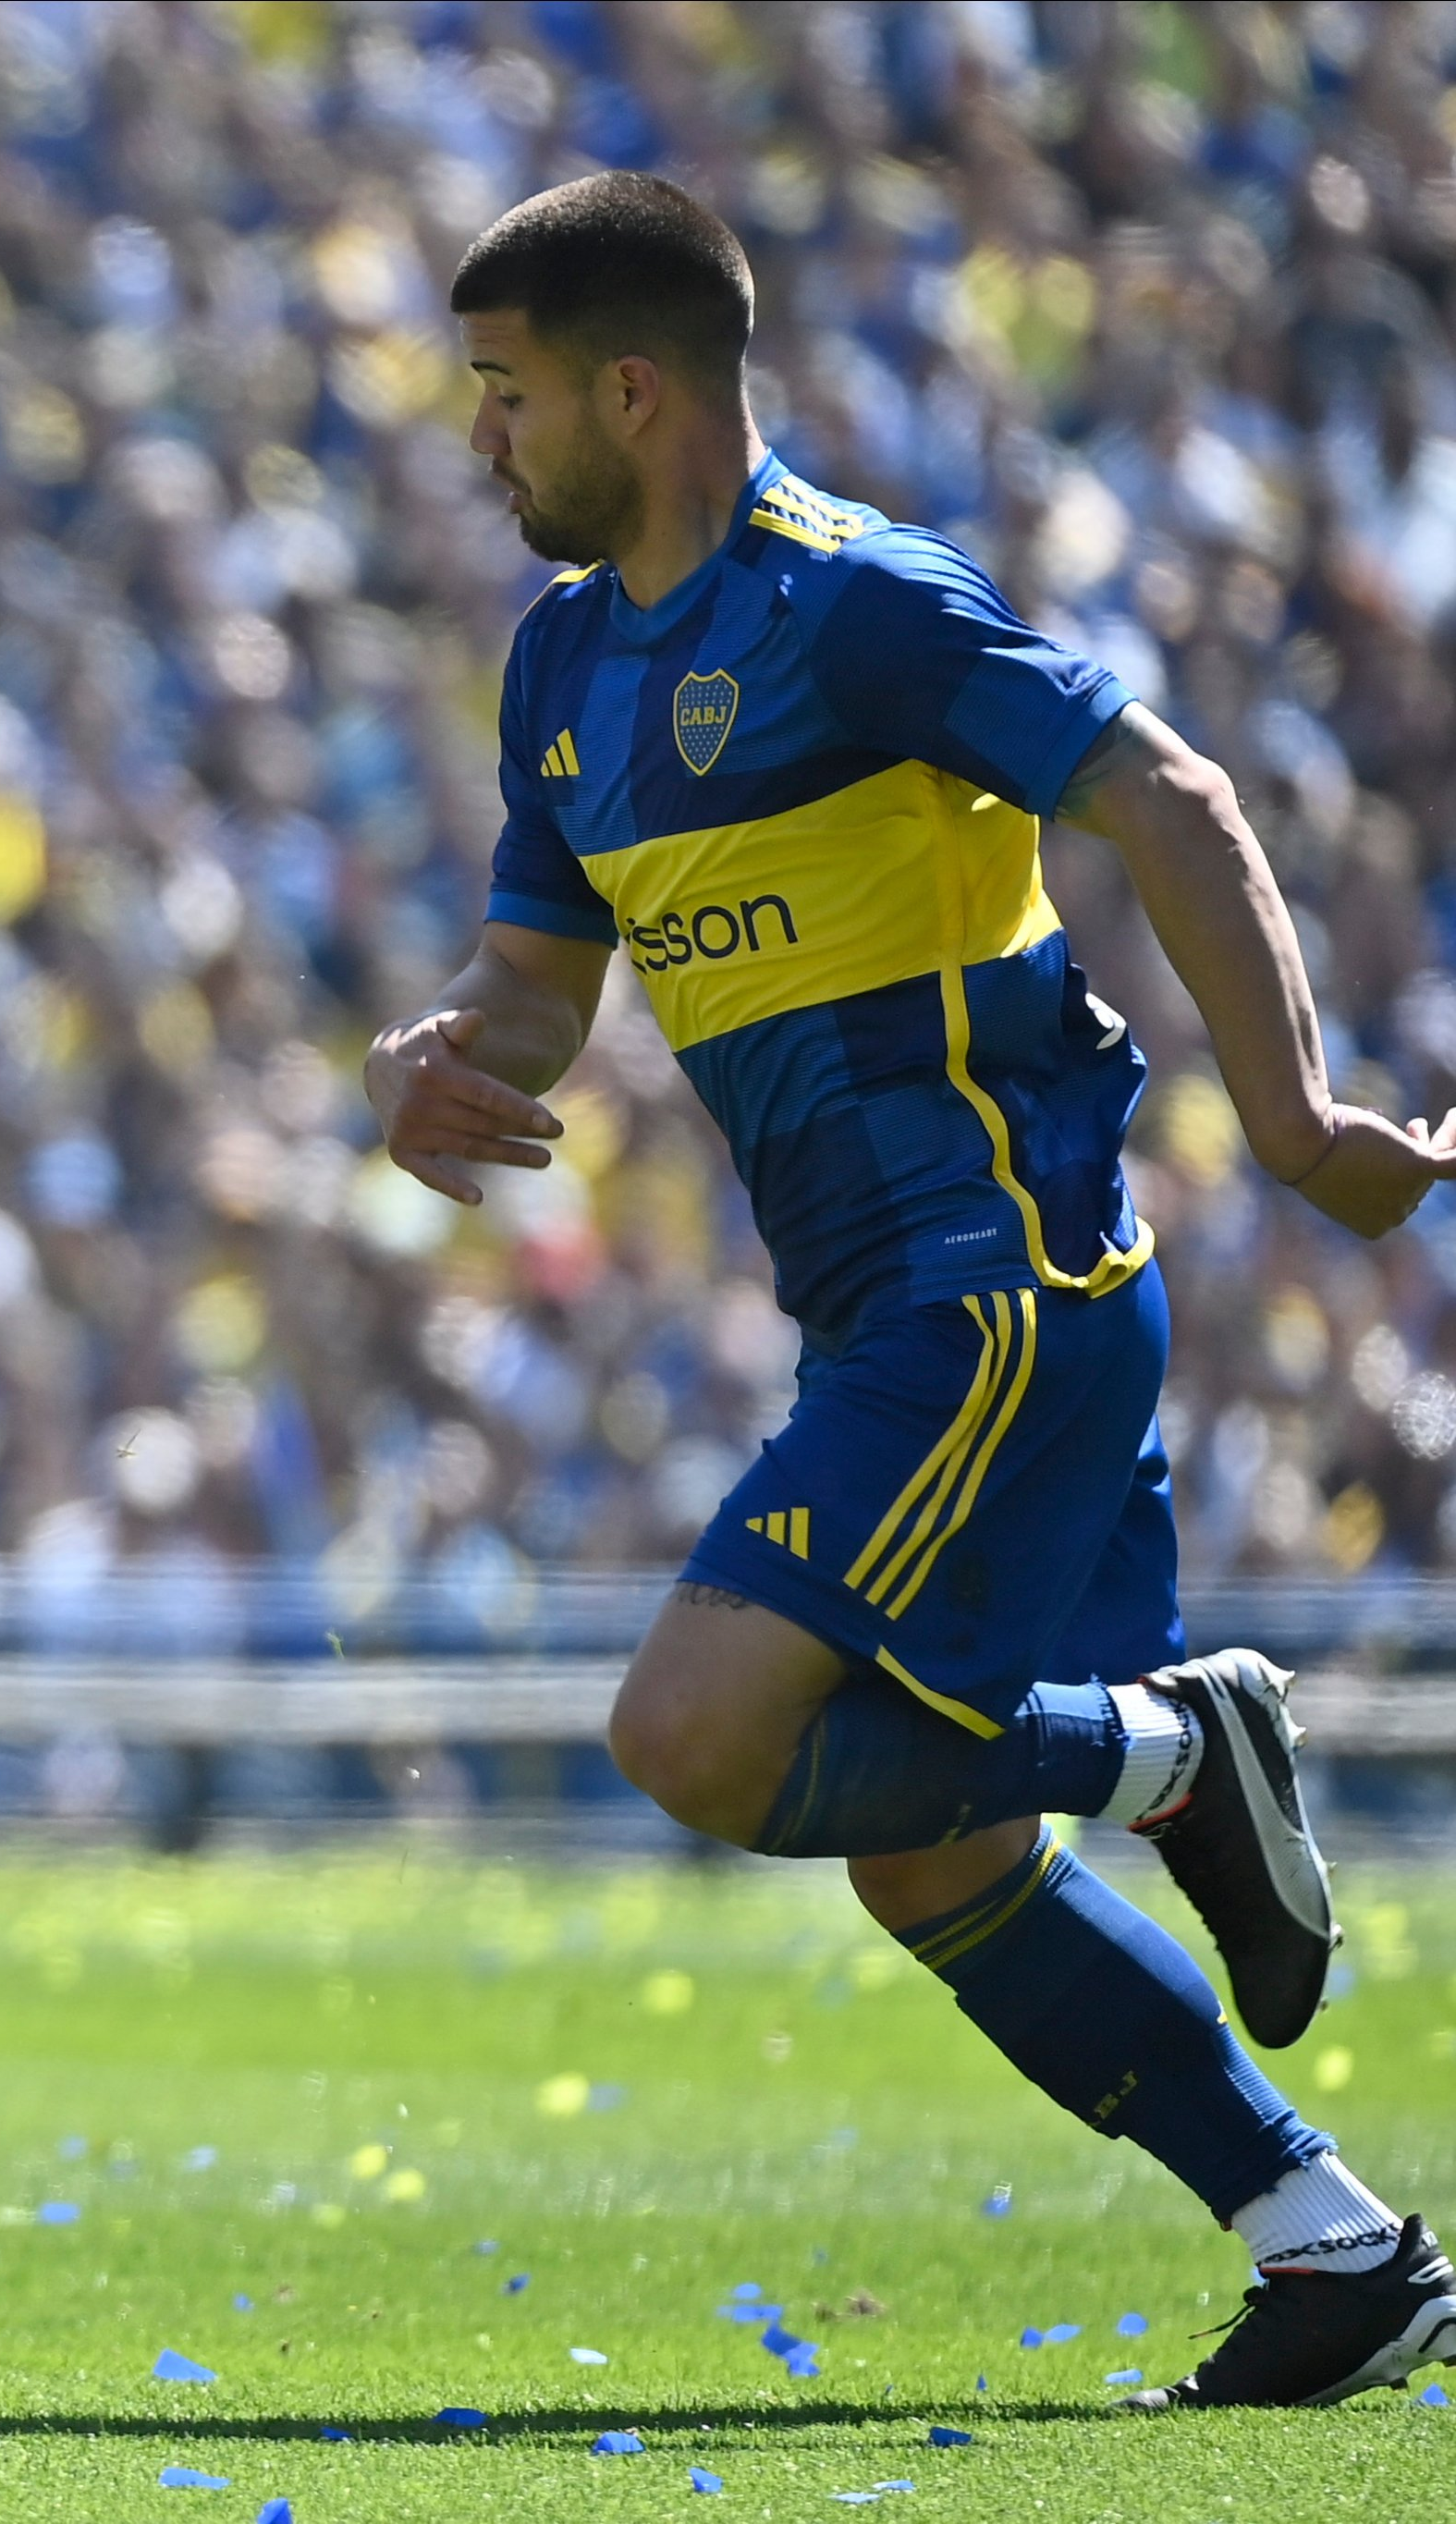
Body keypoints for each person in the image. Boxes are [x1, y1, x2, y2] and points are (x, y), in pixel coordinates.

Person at [370, 172, 1456, 2410]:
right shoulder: (565, 665)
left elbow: (1160, 790)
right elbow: (534, 981)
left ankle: (1171, 1750)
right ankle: (1332, 2249)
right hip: (887, 1309)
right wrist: (435, 1054)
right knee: (929, 1852)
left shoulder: (855, 608)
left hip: (993, 1286)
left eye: (502, 395)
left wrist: (1300, 1122)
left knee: (691, 1737)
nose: (478, 441)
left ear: (633, 390)